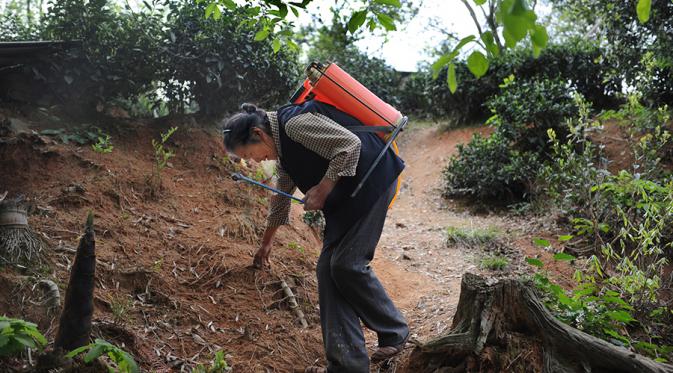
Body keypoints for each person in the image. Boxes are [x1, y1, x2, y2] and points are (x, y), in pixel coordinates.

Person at [221, 100, 409, 373]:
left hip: (373, 180)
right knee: (327, 271)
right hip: (348, 198)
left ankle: (395, 331)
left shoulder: (295, 125)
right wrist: (266, 243)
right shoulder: (283, 155)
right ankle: (348, 365)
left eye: (251, 154)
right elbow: (280, 201)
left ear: (259, 135)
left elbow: (349, 146)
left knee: (346, 264)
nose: (256, 161)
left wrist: (323, 188)